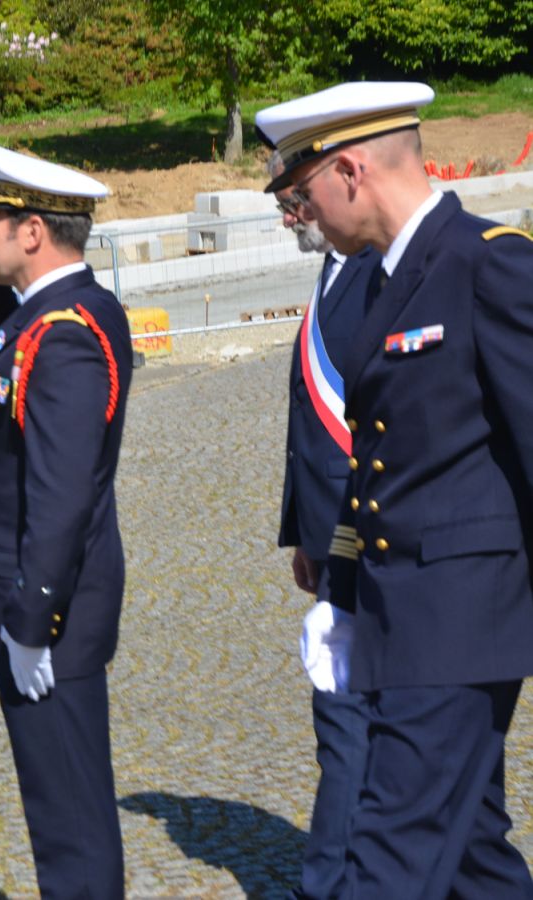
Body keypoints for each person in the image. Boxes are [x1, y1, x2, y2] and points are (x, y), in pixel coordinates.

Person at [259, 81, 533, 894]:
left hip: (460, 623)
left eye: (303, 191)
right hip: (401, 619)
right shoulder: (387, 276)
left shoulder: (487, 261)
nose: (302, 214)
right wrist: (344, 592)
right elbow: (381, 460)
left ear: (350, 171)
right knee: (474, 859)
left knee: (385, 862)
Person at [0, 141, 132, 897]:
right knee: (60, 807)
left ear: (32, 231)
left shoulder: (64, 335)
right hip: (41, 601)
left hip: (49, 612)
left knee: (70, 824)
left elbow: (62, 496)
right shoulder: (55, 312)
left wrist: (30, 622)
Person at [269, 149, 379, 900]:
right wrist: (302, 536)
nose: (287, 220)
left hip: (365, 540)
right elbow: (307, 421)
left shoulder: (372, 274)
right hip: (332, 537)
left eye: (293, 202)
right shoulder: (337, 270)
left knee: (345, 722)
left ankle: (331, 884)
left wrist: (333, 541)